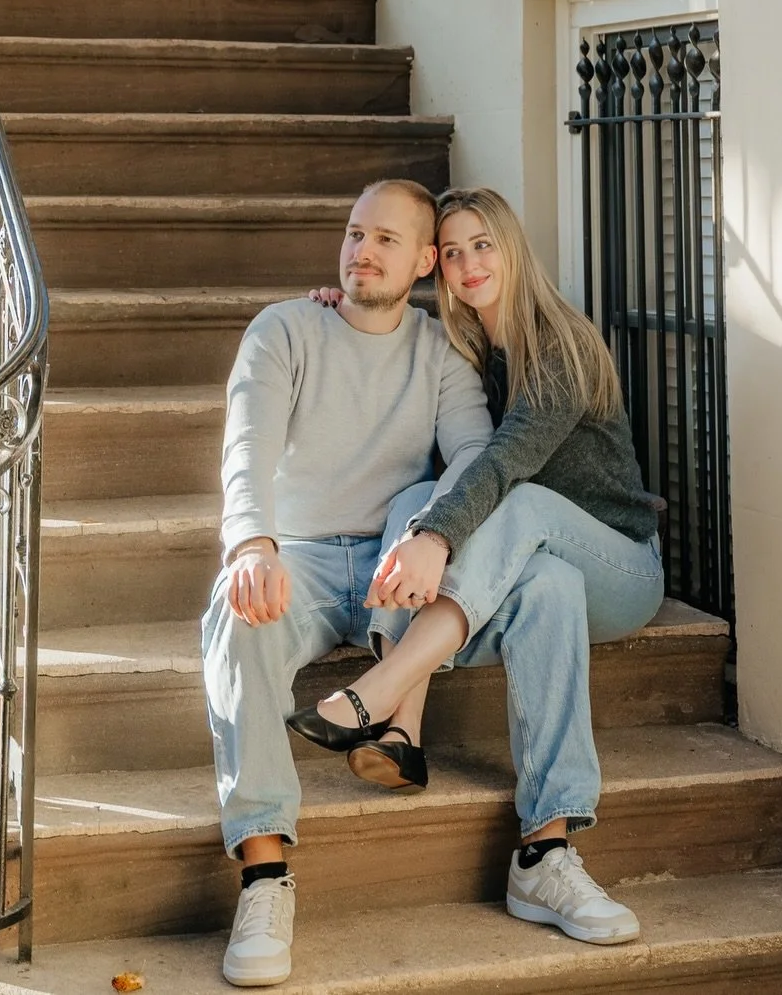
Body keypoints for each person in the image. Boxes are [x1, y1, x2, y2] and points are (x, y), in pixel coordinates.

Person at [288, 186, 666, 947]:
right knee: (440, 507)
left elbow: (504, 463)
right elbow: (445, 452)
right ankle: (540, 850)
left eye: (483, 245)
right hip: (543, 567)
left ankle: (386, 687)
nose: (469, 265)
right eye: (454, 252)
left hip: (620, 565)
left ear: (511, 248)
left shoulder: (559, 344)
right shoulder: (463, 353)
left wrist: (436, 540)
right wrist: (345, 310)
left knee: (516, 503)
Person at [202, 179, 493, 989]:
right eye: (355, 233)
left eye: (386, 239)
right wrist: (251, 542)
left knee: (432, 503)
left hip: (392, 559)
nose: (362, 250)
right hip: (295, 554)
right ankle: (264, 873)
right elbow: (247, 442)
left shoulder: (440, 351)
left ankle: (397, 721)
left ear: (426, 261)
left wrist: (432, 531)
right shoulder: (287, 327)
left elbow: (477, 453)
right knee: (235, 618)